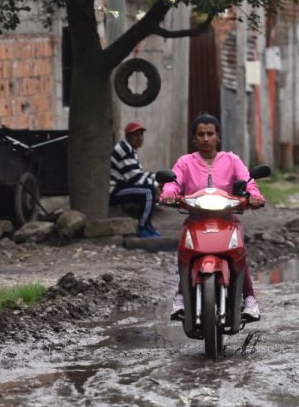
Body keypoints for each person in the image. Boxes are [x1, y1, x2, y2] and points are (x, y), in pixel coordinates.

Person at [161, 113, 264, 322]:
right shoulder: (185, 162)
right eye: (201, 134)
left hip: (227, 218)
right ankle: (180, 296)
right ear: (194, 138)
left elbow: (248, 181)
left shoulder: (231, 160)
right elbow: (173, 182)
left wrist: (254, 196)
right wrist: (169, 194)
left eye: (210, 133)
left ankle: (249, 298)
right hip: (195, 218)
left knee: (239, 251)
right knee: (185, 252)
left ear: (218, 136)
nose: (206, 139)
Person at [109, 121, 160, 238]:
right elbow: (135, 178)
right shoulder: (124, 150)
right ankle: (143, 227)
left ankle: (147, 225)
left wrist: (156, 177)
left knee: (148, 188)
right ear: (127, 136)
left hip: (122, 185)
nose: (140, 138)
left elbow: (138, 174)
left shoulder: (130, 149)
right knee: (148, 191)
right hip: (114, 191)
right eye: (135, 135)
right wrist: (156, 184)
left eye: (141, 134)